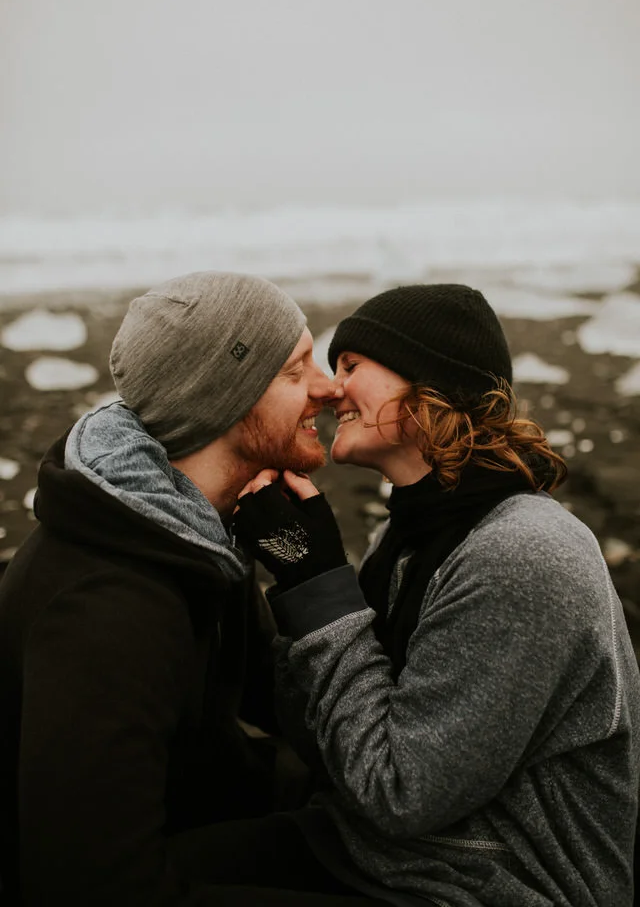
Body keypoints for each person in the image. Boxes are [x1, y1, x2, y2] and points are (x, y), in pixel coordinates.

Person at [222, 284, 640, 907]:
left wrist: (317, 584)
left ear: (430, 385)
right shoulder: (411, 534)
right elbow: (330, 741)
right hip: (393, 851)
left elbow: (400, 792)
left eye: (352, 366)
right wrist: (274, 573)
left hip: (501, 883)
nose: (333, 389)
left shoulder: (523, 554)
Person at [0, 270, 367, 907]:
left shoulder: (195, 534)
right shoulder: (106, 610)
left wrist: (309, 573)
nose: (329, 387)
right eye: (293, 370)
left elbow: (271, 703)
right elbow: (91, 885)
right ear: (222, 397)